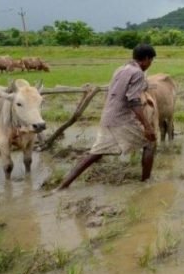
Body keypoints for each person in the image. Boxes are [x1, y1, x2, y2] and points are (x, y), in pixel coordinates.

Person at [57, 43, 158, 190]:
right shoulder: (137, 73)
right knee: (149, 143)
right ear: (147, 59)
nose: (150, 64)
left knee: (96, 154)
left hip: (108, 117)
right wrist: (147, 127)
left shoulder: (121, 69)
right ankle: (146, 184)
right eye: (151, 61)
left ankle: (63, 185)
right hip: (121, 119)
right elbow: (134, 101)